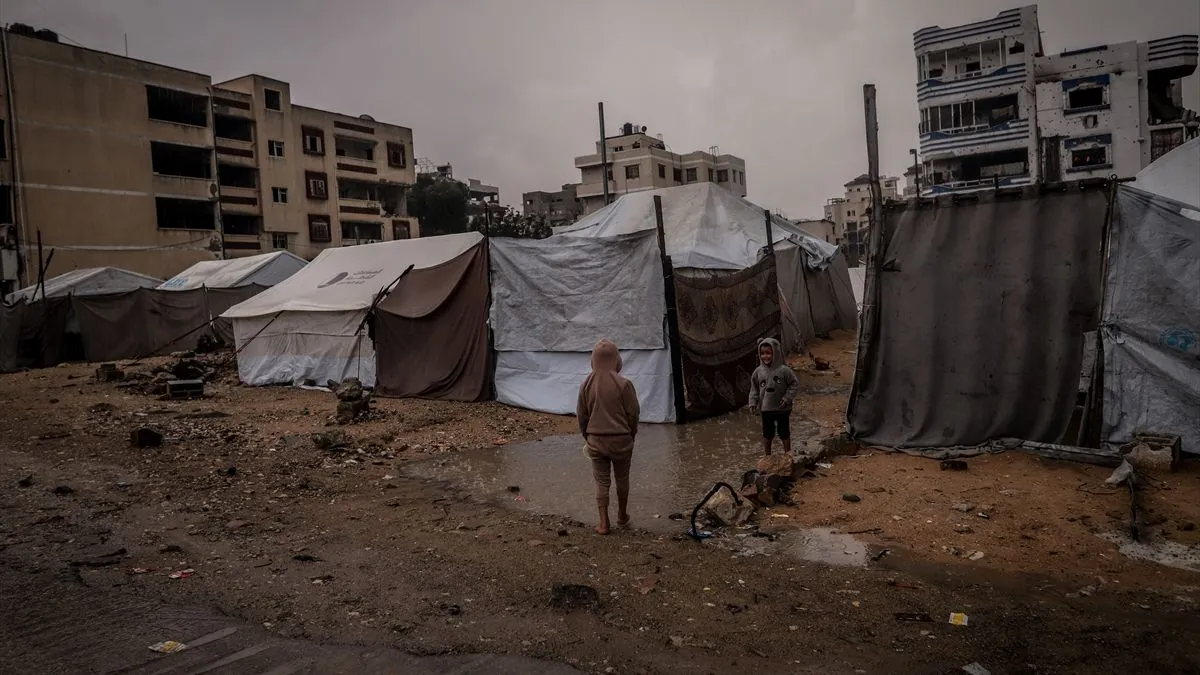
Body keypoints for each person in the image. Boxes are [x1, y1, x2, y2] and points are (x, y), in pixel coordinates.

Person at [577, 338, 640, 535]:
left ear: (593, 360)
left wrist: (587, 436)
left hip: (596, 441)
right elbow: (633, 414)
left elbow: (581, 416)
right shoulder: (624, 384)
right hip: (622, 440)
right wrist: (632, 433)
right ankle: (622, 515)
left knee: (602, 482)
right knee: (622, 479)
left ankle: (604, 523)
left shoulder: (586, 385)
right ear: (616, 360)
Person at [748, 337, 799, 456]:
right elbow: (754, 388)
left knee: (784, 432)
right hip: (766, 408)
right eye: (762, 353)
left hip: (782, 408)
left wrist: (787, 398)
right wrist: (753, 402)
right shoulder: (758, 372)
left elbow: (794, 384)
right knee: (767, 434)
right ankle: (767, 457)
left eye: (768, 353)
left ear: (775, 353)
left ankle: (788, 454)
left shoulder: (784, 370)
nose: (765, 356)